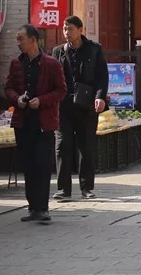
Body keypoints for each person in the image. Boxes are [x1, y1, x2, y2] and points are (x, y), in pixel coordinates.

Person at [5, 24, 67, 223]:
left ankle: (42, 208)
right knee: (28, 165)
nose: (18, 42)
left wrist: (41, 100)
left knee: (42, 165)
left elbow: (61, 90)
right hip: (23, 122)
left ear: (33, 40)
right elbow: (8, 88)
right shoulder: (16, 63)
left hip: (44, 123)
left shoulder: (51, 64)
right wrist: (18, 100)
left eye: (21, 38)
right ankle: (32, 207)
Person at [51, 16, 109, 201]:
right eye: (64, 29)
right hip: (64, 107)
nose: (67, 33)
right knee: (62, 146)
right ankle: (63, 189)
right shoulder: (58, 52)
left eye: (70, 29)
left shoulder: (94, 49)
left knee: (86, 147)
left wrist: (100, 97)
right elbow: (52, 79)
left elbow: (102, 77)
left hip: (87, 106)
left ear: (80, 30)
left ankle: (87, 188)